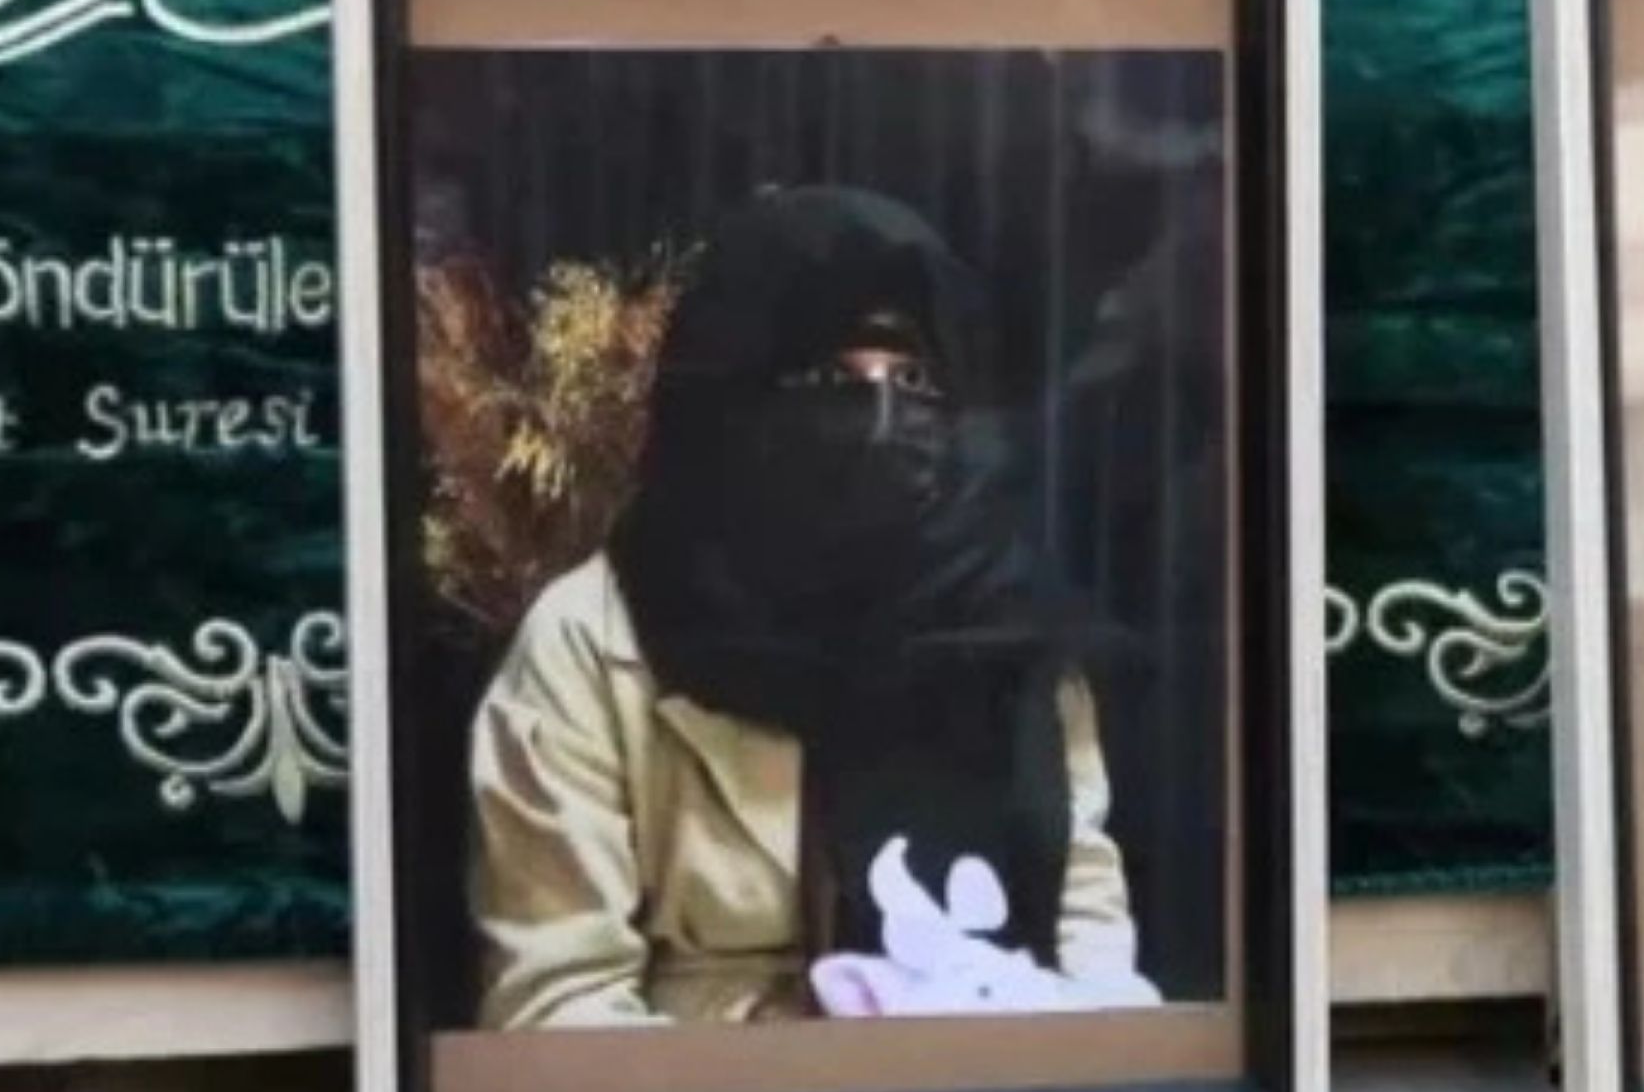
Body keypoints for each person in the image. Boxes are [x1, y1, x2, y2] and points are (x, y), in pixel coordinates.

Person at [463, 185, 1160, 1029]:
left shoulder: (1010, 632)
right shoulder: (596, 641)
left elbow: (1092, 954)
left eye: (913, 379)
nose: (881, 417)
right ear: (735, 399)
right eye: (833, 378)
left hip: (1003, 1088)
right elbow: (557, 1006)